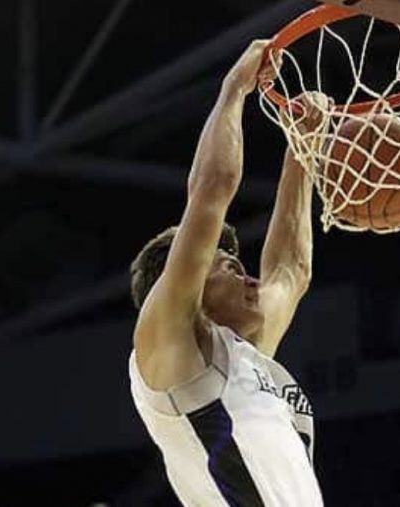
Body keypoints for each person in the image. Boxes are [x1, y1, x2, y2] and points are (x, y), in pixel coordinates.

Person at [127, 39, 327, 506]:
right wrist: (235, 87)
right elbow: (212, 190)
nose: (243, 269)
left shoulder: (246, 357)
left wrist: (304, 148)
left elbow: (291, 271)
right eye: (226, 264)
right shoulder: (169, 350)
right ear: (186, 286)